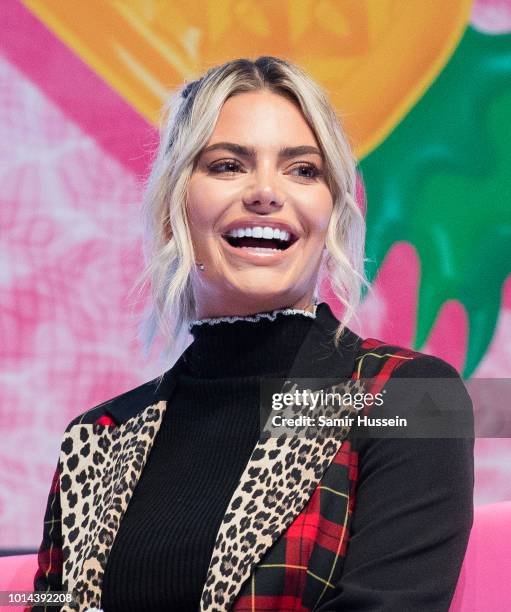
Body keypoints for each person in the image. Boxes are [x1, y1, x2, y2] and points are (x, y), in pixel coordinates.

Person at [31, 56, 474, 612]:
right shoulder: (97, 436)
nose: (266, 192)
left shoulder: (410, 396)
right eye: (226, 166)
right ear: (175, 207)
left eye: (303, 170)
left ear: (332, 213)